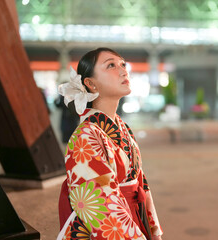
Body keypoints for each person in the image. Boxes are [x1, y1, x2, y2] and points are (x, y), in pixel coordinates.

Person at [57, 48, 163, 240]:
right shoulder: (85, 136)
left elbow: (141, 183)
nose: (123, 70)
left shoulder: (123, 127)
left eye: (123, 64)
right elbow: (99, 203)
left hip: (135, 219)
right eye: (111, 65)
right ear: (90, 84)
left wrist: (153, 230)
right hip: (108, 229)